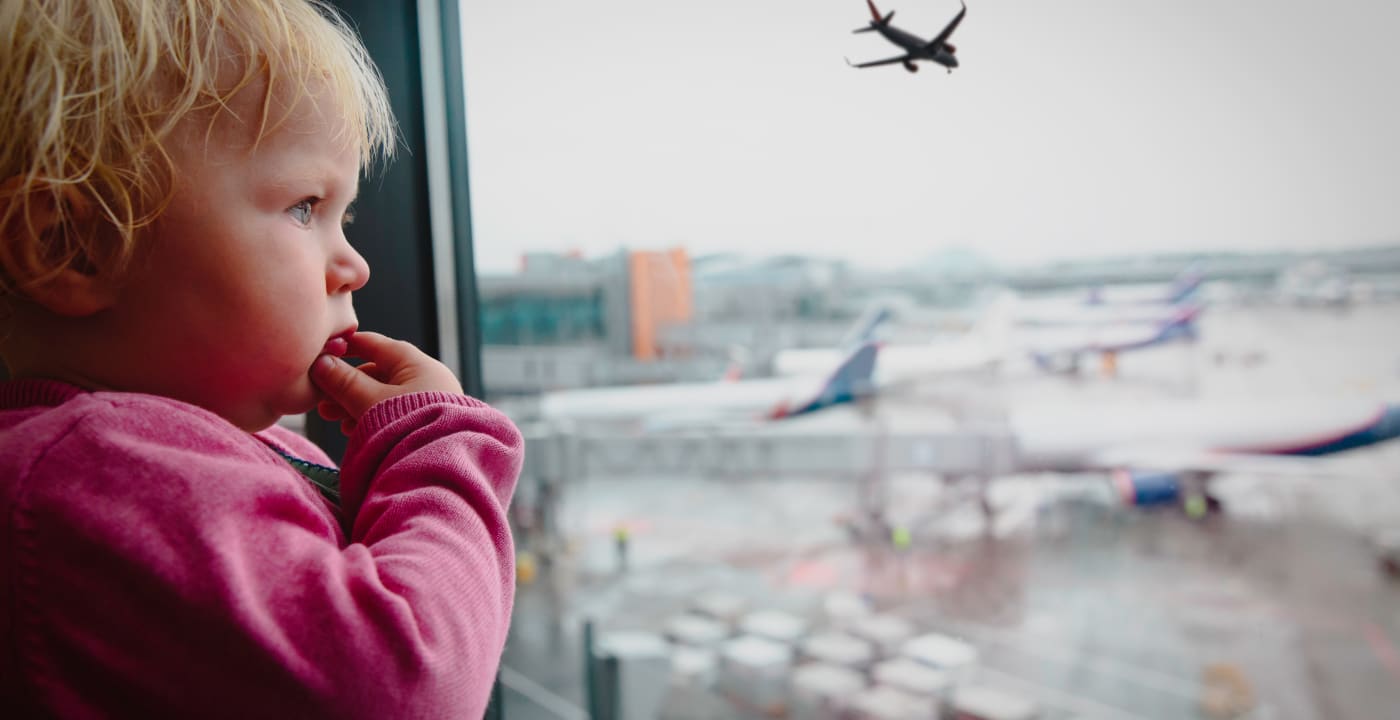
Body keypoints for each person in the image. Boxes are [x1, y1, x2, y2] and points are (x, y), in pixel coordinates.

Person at [0, 1, 523, 717]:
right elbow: (405, 678)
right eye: (306, 207)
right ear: (74, 248)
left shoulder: (172, 450)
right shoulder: (90, 474)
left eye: (347, 216)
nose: (356, 266)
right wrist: (436, 448)